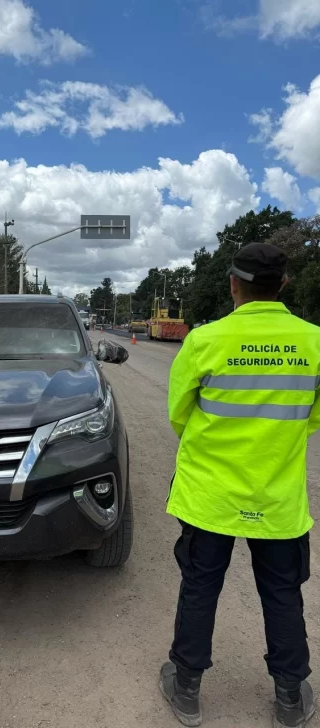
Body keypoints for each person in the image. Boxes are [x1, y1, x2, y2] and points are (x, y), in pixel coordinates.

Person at [160, 242, 320, 728]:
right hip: (277, 498)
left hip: (209, 495)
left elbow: (178, 415)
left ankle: (186, 688)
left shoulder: (205, 340)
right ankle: (290, 698)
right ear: (284, 285)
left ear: (234, 284)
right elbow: (313, 419)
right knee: (282, 592)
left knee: (200, 586)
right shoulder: (314, 341)